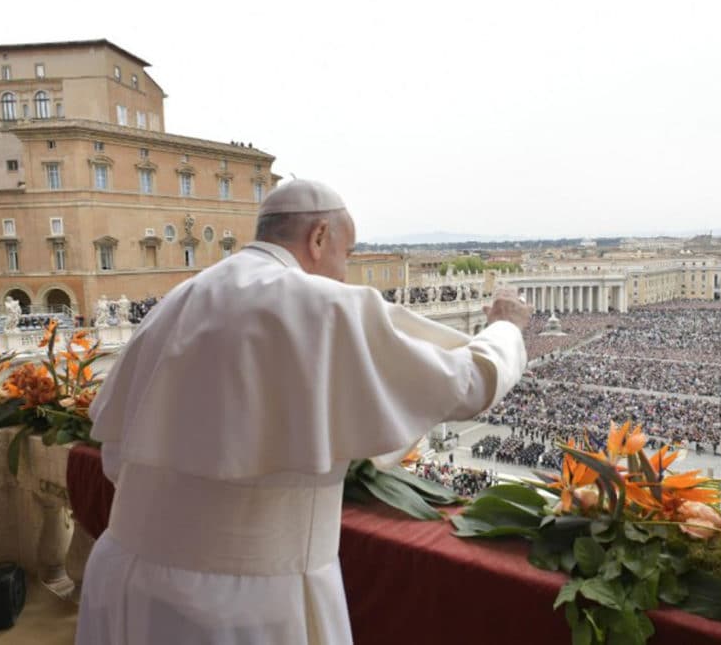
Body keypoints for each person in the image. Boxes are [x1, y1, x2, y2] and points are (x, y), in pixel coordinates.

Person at [76, 179, 531, 645]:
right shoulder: (321, 305)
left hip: (123, 577)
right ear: (318, 238)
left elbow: (116, 455)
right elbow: (466, 382)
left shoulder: (180, 298)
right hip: (242, 604)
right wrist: (506, 329)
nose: (344, 273)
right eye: (347, 254)